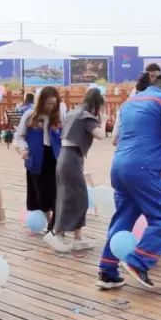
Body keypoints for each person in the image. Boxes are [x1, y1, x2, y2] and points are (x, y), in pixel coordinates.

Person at [98, 73, 161, 289]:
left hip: (119, 166)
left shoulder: (128, 104)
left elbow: (115, 139)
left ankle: (107, 270)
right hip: (144, 169)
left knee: (123, 218)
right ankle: (139, 262)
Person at [49, 87, 108, 253]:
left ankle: (77, 238)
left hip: (64, 157)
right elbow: (101, 135)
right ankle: (56, 234)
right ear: (96, 105)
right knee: (76, 199)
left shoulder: (73, 113)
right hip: (71, 159)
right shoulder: (86, 116)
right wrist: (103, 120)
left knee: (73, 197)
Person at [14, 86, 62, 241]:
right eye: (48, 103)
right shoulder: (30, 115)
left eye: (54, 103)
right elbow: (19, 136)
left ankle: (55, 226)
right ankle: (48, 223)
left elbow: (65, 135)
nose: (51, 107)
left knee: (57, 193)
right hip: (36, 158)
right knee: (41, 194)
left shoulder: (59, 116)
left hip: (54, 157)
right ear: (41, 102)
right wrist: (23, 150)